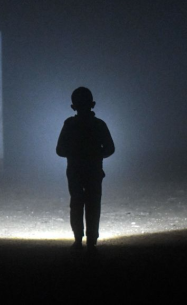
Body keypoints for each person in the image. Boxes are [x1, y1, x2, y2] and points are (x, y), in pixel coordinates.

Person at [56, 87, 115, 252]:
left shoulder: (69, 124)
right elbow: (110, 148)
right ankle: (91, 240)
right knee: (93, 203)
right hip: (94, 170)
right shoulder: (99, 125)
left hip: (74, 170)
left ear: (73, 107)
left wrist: (75, 154)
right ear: (93, 104)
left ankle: (78, 239)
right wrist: (95, 156)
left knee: (76, 203)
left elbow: (60, 150)